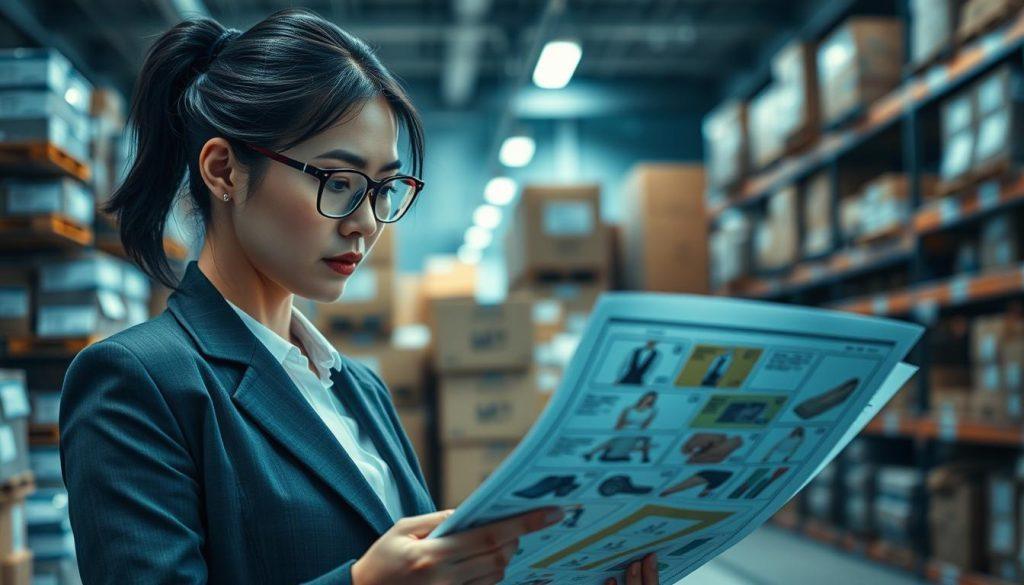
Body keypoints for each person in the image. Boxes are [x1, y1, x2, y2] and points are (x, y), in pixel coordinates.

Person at [55, 9, 662, 585]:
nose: (367, 223)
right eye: (339, 182)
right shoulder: (138, 381)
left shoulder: (359, 388)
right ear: (223, 171)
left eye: (385, 188)